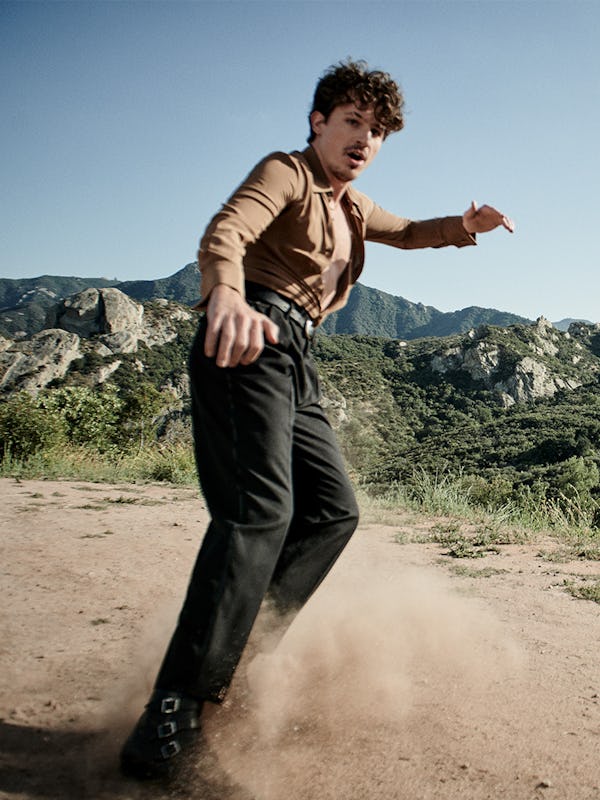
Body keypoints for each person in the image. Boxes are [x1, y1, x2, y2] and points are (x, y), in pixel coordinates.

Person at [120, 59, 514, 780]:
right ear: (319, 122)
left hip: (296, 353)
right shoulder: (287, 172)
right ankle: (171, 713)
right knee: (259, 514)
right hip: (248, 333)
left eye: (378, 131)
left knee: (332, 512)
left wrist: (464, 226)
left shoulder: (353, 205)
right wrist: (225, 298)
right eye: (353, 123)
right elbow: (226, 231)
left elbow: (408, 230)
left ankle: (237, 656)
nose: (365, 140)